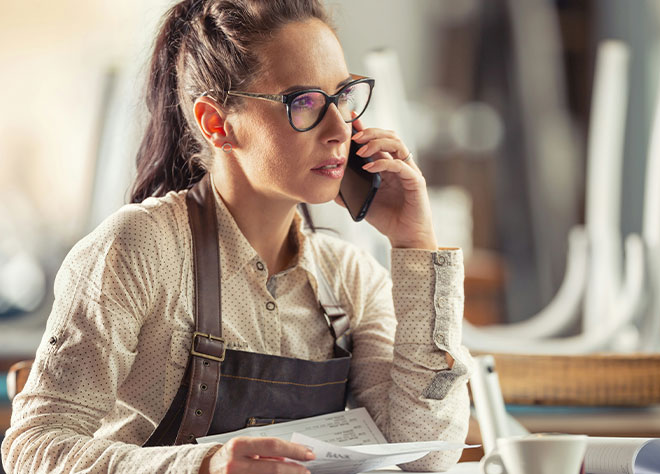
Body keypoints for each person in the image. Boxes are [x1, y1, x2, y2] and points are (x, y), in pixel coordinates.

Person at [1, 1, 473, 473]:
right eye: (304, 102)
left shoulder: (347, 277)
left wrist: (415, 244)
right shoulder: (139, 248)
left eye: (344, 96)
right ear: (216, 123)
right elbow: (31, 448)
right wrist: (203, 467)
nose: (339, 131)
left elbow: (429, 454)